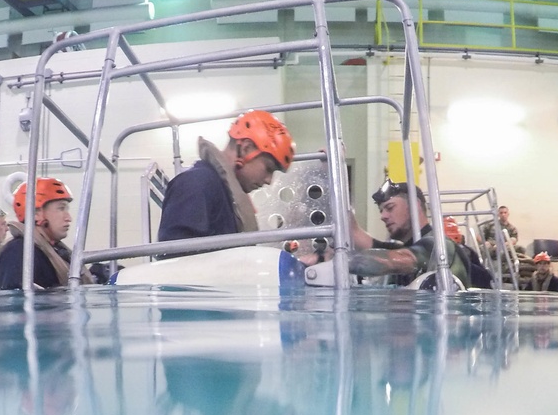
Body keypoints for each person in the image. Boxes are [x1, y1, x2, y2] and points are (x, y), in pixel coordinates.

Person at [303, 179, 491, 289]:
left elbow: (394, 260)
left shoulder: (438, 245)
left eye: (390, 208)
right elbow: (355, 233)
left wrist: (335, 264)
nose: (383, 216)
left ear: (415, 205)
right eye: (381, 211)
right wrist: (333, 173)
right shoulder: (407, 246)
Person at [157, 110, 295, 246]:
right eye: (269, 169)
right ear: (246, 148)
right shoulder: (196, 183)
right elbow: (177, 259)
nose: (269, 181)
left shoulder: (224, 195)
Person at [0, 178, 93, 290]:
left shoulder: (55, 250)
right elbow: (15, 302)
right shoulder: (19, 252)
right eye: (61, 208)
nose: (68, 218)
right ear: (36, 213)